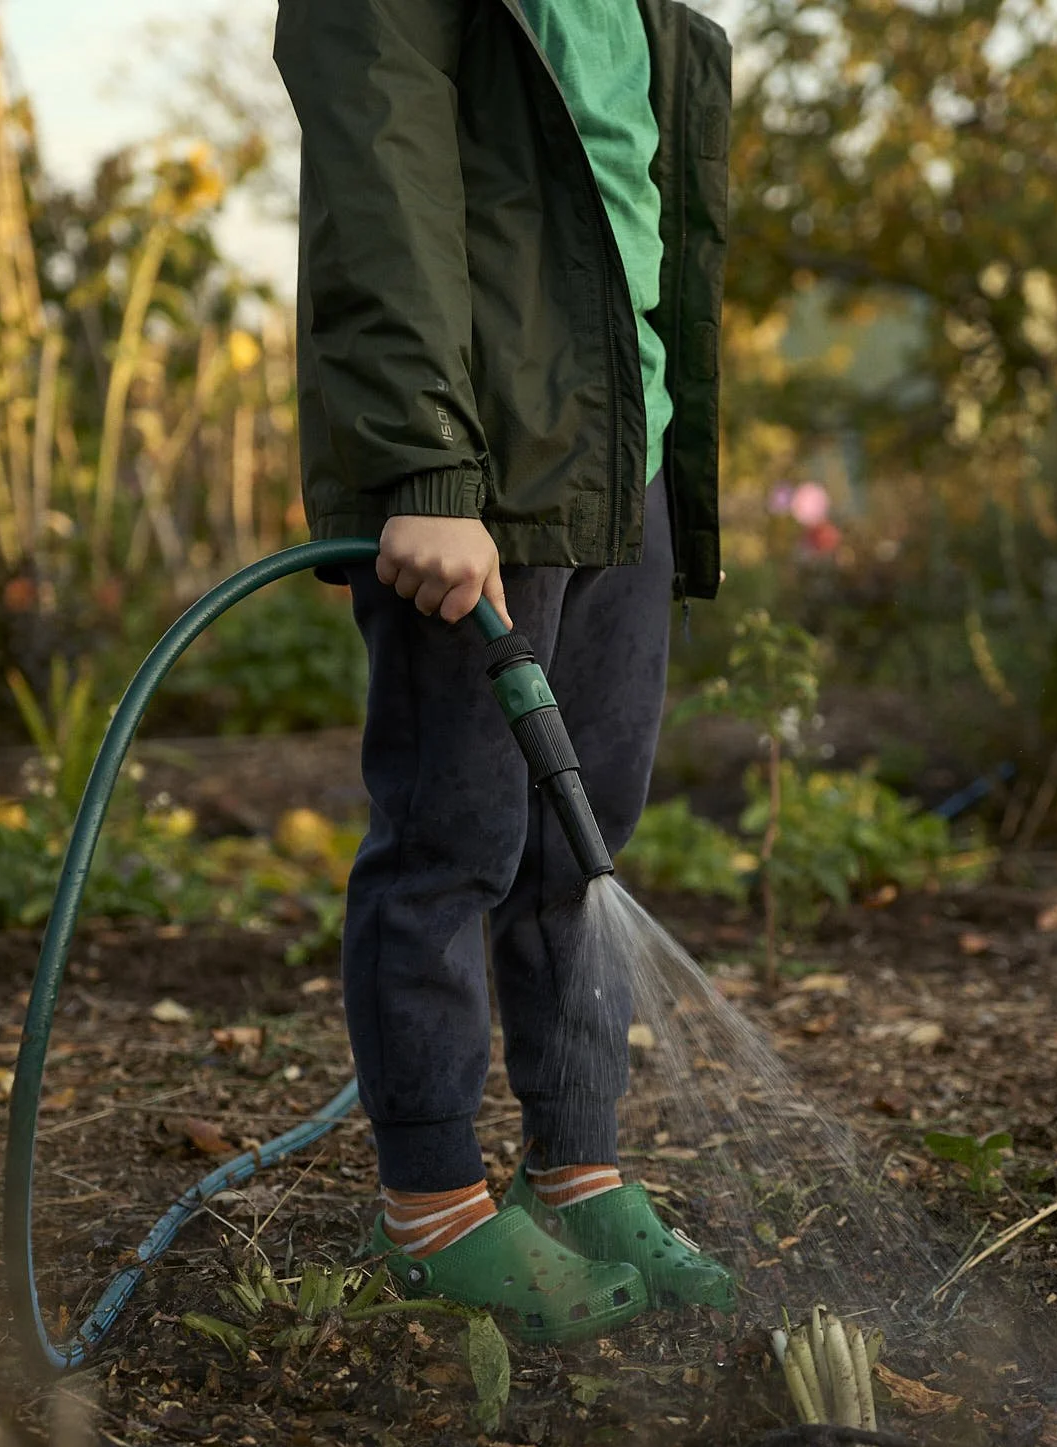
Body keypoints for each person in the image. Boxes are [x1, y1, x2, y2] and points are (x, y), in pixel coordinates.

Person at [274, 0, 734, 1342]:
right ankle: (430, 1208)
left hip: (620, 456)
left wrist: (668, 459)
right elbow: (380, 179)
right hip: (477, 471)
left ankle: (576, 1166)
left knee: (584, 843)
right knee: (453, 837)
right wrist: (424, 464)